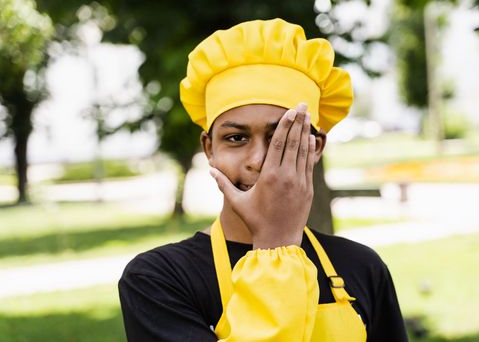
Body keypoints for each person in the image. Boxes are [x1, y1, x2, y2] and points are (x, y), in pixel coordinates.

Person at [119, 18, 408, 341]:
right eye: (236, 138)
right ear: (209, 148)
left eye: (280, 137)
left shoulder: (361, 267)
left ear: (315, 147)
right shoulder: (158, 280)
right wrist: (276, 246)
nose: (258, 161)